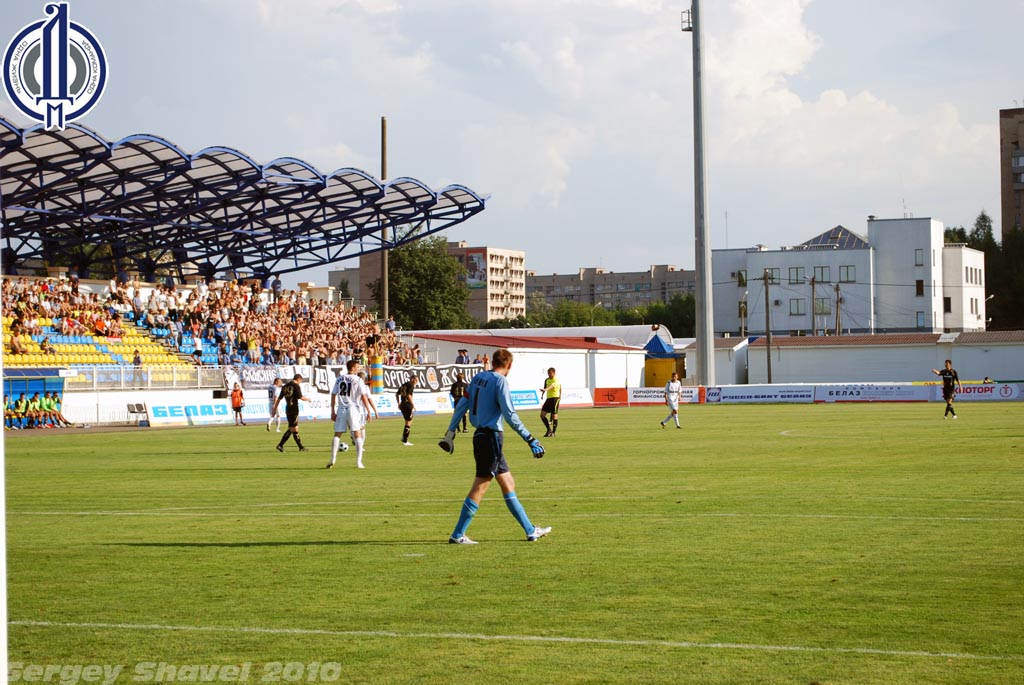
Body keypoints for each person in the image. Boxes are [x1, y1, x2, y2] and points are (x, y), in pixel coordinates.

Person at [438, 348, 550, 545]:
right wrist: (530, 438)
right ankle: (457, 534)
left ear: (492, 362)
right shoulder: (501, 382)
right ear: (509, 365)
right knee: (481, 486)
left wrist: (450, 433)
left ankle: (530, 530)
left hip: (481, 436)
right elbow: (510, 415)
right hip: (491, 439)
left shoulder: (478, 378)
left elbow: (462, 405)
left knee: (508, 482)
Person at [328, 359, 379, 469]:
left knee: (337, 434)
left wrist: (332, 411)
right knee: (357, 434)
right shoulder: (358, 379)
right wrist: (368, 411)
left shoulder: (339, 379)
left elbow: (333, 394)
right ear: (352, 368)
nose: (358, 369)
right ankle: (359, 462)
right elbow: (364, 396)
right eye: (357, 367)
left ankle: (333, 458)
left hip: (341, 408)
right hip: (353, 409)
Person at [272, 373, 309, 452]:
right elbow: (300, 397)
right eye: (300, 381)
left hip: (288, 409)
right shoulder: (296, 386)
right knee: (292, 429)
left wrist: (274, 408)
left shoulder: (285, 386)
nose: (300, 383)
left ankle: (301, 447)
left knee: (295, 429)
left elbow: (279, 398)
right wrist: (308, 399)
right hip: (294, 409)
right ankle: (280, 445)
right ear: (298, 379)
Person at [396, 374, 417, 446]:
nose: (416, 382)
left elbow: (397, 394)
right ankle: (405, 441)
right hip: (407, 405)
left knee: (408, 421)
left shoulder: (404, 385)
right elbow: (409, 396)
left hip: (402, 405)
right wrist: (413, 405)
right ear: (412, 379)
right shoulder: (411, 386)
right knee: (409, 422)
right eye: (416, 380)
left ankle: (403, 437)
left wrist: (398, 403)